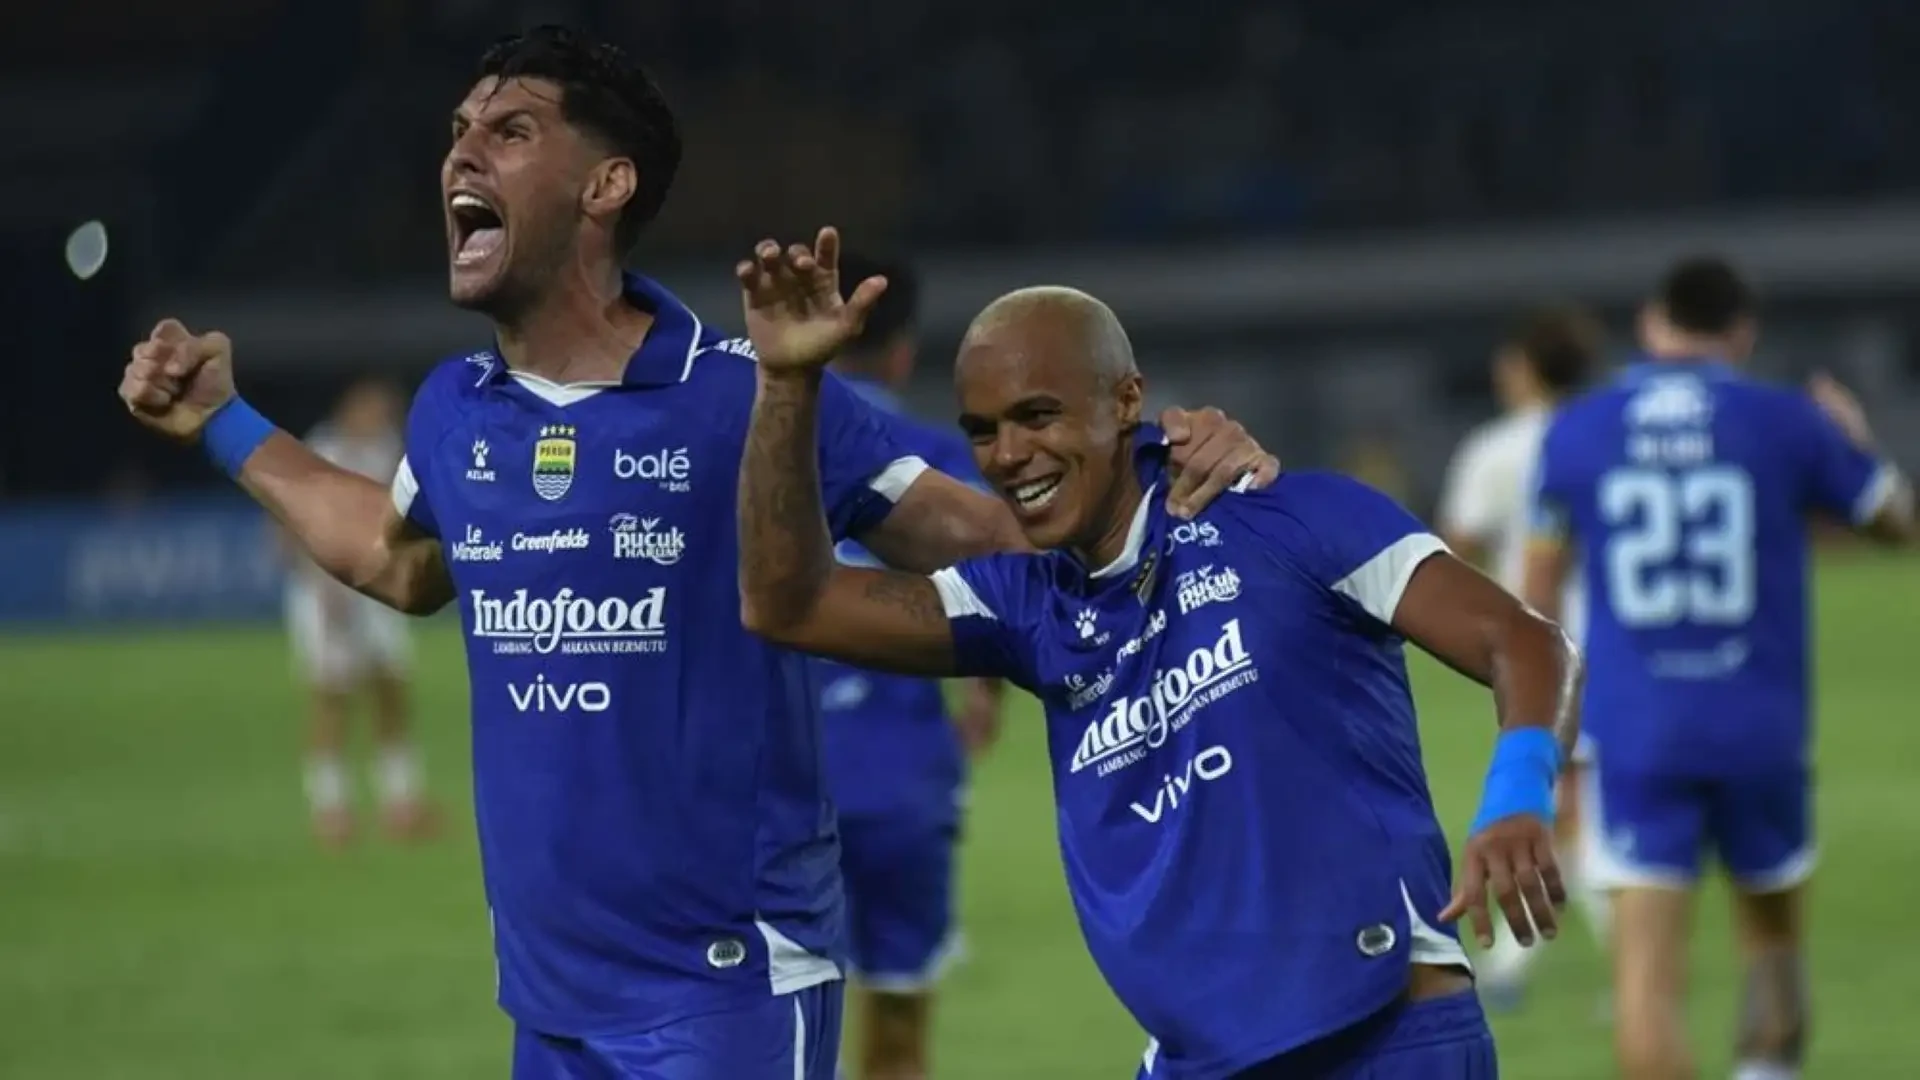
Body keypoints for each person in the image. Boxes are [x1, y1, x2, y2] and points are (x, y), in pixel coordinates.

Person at [114, 27, 1276, 1079]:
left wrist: (1178, 462)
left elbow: (998, 528)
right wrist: (224, 422)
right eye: (459, 129)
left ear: (606, 185)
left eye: (510, 132)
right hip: (547, 1006)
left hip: (723, 993)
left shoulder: (744, 393)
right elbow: (397, 558)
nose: (461, 152)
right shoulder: (456, 409)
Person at [731, 235, 1585, 1079]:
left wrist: (1518, 796)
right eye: (983, 432)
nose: (1009, 455)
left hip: (1384, 1040)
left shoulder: (1288, 519)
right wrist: (789, 383)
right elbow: (788, 604)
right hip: (1195, 1062)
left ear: (1126, 399)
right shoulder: (1025, 607)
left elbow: (1524, 640)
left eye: (1037, 415)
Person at [1523, 256, 1914, 1080]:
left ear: (1651, 323)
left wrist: (1547, 736)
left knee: (1646, 983)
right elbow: (1893, 523)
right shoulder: (1786, 419)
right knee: (1772, 942)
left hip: (1637, 729)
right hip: (1759, 723)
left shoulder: (1578, 429)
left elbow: (1538, 595)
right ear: (1742, 332)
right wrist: (1854, 440)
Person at [815, 254, 1002, 1080]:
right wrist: (986, 694)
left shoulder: (749, 457)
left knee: (754, 1031)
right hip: (901, 780)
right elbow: (997, 582)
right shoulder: (936, 462)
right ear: (902, 351)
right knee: (896, 1026)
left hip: (771, 784)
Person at [1435, 304, 1608, 1005]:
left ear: (1524, 368)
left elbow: (1451, 552)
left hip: (1534, 650)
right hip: (1617, 644)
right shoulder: (1605, 436)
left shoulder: (1495, 449)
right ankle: (1516, 963)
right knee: (1575, 807)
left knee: (1568, 809)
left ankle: (1610, 963)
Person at [280, 376, 435, 847]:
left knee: (391, 688)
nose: (380, 419)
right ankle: (330, 807)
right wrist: (319, 583)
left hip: (377, 589)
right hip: (324, 593)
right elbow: (290, 520)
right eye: (373, 409)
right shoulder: (322, 449)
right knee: (332, 696)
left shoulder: (386, 449)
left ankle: (401, 801)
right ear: (349, 409)